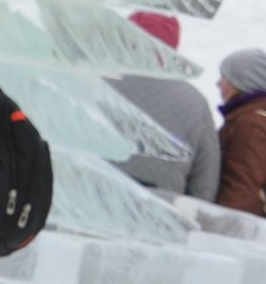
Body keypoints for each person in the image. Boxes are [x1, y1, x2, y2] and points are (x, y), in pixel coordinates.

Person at [110, 11, 219, 201]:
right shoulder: (195, 102)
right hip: (158, 215)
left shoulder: (93, 83)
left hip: (84, 206)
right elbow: (204, 182)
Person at [214, 48, 266, 216]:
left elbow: (241, 193)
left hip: (239, 231)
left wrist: (221, 230)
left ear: (241, 82)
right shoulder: (251, 117)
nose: (218, 83)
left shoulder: (250, 125)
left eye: (224, 77)